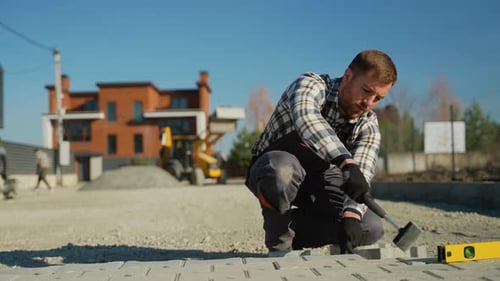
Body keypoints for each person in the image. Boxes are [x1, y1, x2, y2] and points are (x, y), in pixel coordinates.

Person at [245, 49, 397, 254]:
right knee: (282, 170)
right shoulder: (312, 85)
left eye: (378, 98)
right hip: (275, 168)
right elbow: (308, 120)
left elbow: (363, 170)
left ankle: (293, 230)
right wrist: (345, 161)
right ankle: (279, 247)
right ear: (348, 75)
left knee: (369, 227)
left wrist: (351, 215)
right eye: (366, 91)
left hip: (321, 177)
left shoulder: (367, 123)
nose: (369, 103)